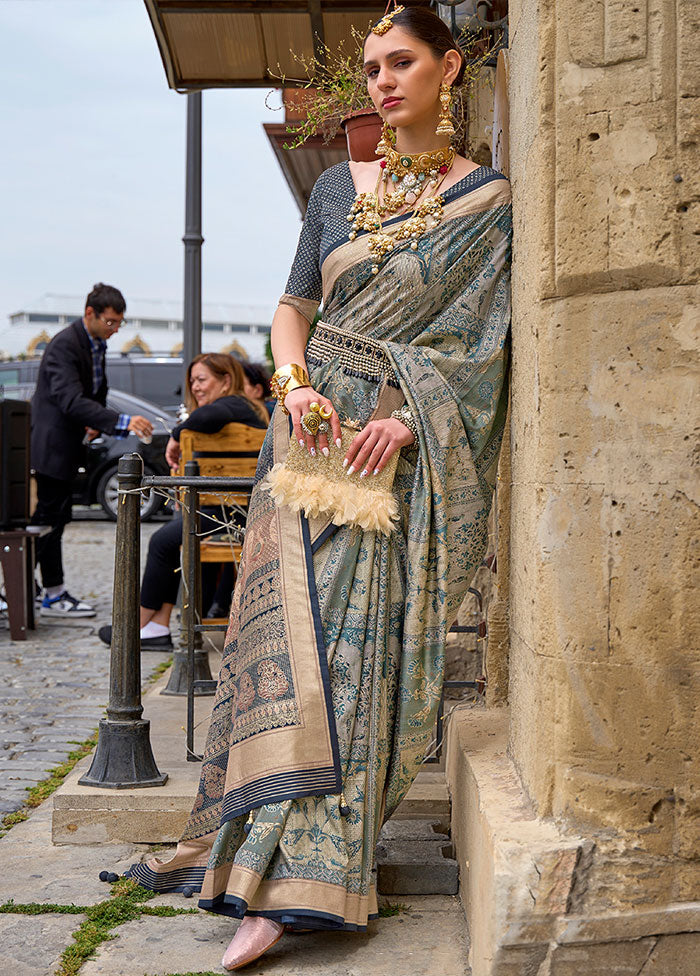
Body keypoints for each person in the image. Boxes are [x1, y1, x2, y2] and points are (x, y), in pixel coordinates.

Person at [122, 6, 511, 970]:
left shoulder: (488, 203)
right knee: (285, 648)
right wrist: (292, 389)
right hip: (306, 444)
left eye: (404, 62)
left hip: (392, 456)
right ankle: (254, 853)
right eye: (373, 67)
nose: (384, 82)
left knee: (352, 658)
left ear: (450, 69)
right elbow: (294, 306)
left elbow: (481, 352)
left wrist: (403, 414)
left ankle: (307, 877)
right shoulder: (338, 188)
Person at [97, 353, 268, 651]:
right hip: (232, 513)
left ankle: (135, 626)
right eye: (192, 382)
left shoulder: (234, 405)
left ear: (226, 380)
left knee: (163, 541)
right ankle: (156, 627)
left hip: (234, 516)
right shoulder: (246, 408)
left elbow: (205, 417)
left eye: (202, 380)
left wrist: (177, 435)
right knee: (172, 536)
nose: (196, 387)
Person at [30, 282, 154, 618]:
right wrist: (122, 420)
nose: (115, 330)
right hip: (51, 447)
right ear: (90, 314)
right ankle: (51, 593)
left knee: (54, 519)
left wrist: (96, 420)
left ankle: (39, 589)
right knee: (47, 521)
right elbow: (70, 399)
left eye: (119, 323)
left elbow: (93, 393)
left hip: (69, 446)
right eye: (111, 322)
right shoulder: (65, 345)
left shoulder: (93, 343)